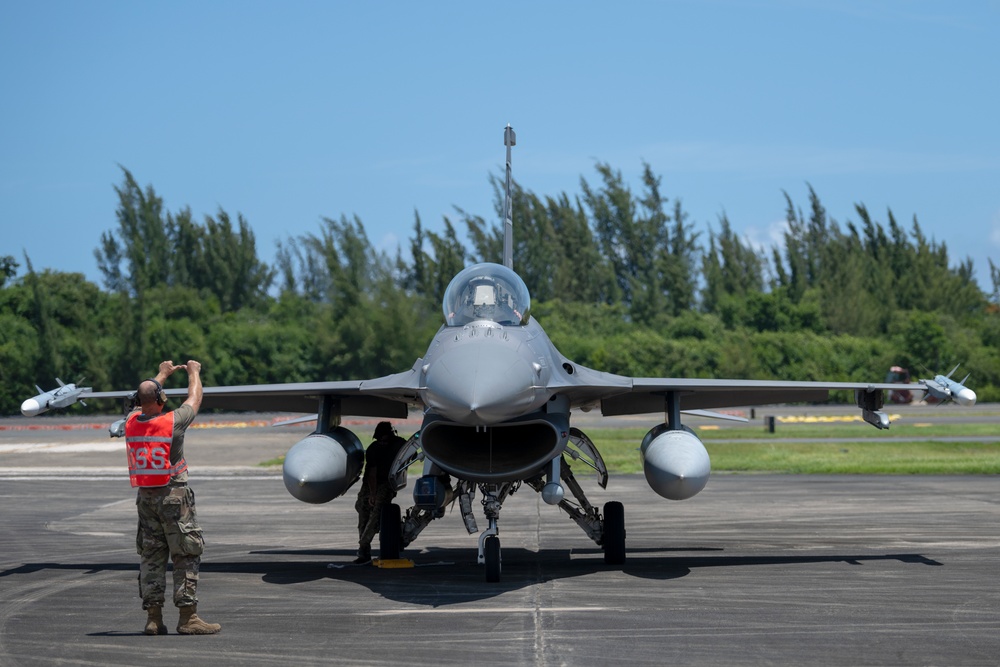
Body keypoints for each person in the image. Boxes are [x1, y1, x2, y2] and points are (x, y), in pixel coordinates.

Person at [126, 359, 221, 635]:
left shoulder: (131, 422)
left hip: (145, 500)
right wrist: (193, 372)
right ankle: (188, 617)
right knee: (185, 554)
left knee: (152, 557)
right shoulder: (172, 423)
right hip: (174, 498)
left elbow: (139, 399)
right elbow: (195, 398)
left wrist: (161, 374)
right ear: (161, 398)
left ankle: (153, 619)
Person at [354, 421, 407, 564]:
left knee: (376, 513)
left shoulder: (399, 444)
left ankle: (363, 546)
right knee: (363, 508)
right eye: (380, 440)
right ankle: (364, 549)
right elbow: (372, 473)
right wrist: (372, 493)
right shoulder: (374, 449)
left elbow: (410, 455)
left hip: (386, 483)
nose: (382, 443)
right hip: (371, 483)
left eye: (384, 439)